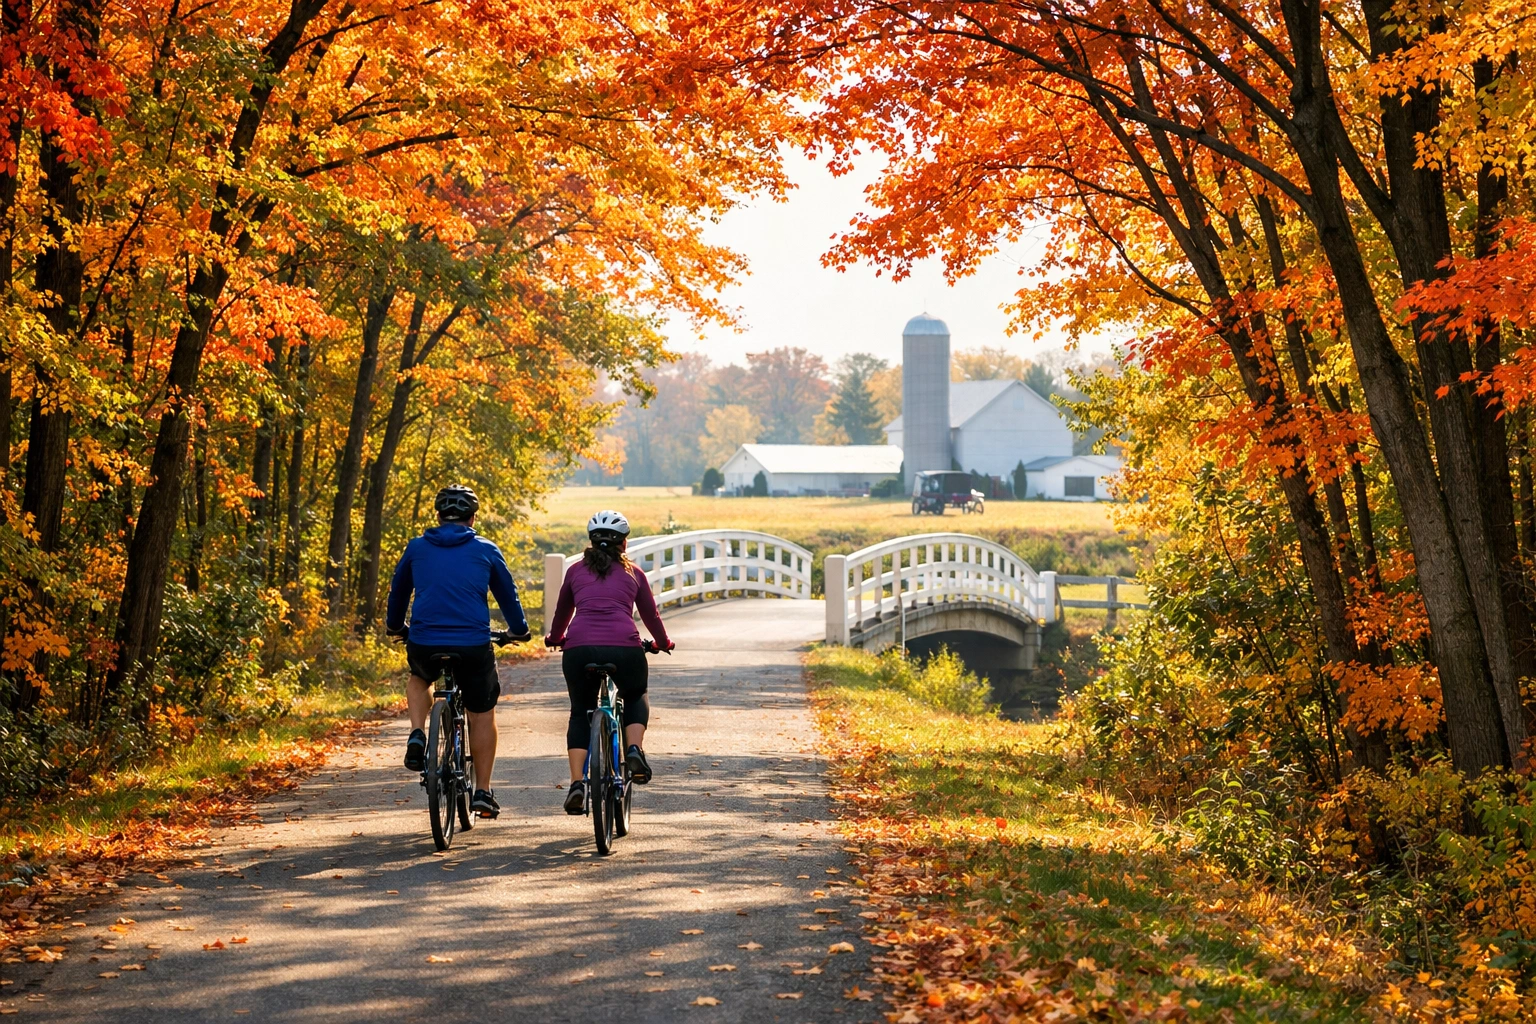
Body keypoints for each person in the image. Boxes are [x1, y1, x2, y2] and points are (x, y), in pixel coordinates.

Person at [385, 484, 530, 819]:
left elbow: (398, 592)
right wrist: (518, 631)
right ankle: (482, 791)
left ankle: (419, 732)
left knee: (420, 677)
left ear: (438, 516)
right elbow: (509, 596)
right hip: (473, 644)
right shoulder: (486, 549)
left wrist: (396, 627)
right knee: (482, 711)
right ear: (473, 516)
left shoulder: (417, 548)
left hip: (425, 640)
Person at [544, 509, 673, 815]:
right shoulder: (634, 574)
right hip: (624, 649)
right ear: (624, 544)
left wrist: (554, 638)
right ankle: (633, 749)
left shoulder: (575, 571)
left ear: (590, 542)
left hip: (579, 650)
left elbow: (563, 611)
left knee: (580, 712)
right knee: (636, 693)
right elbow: (651, 615)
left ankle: (577, 784)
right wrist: (663, 643)